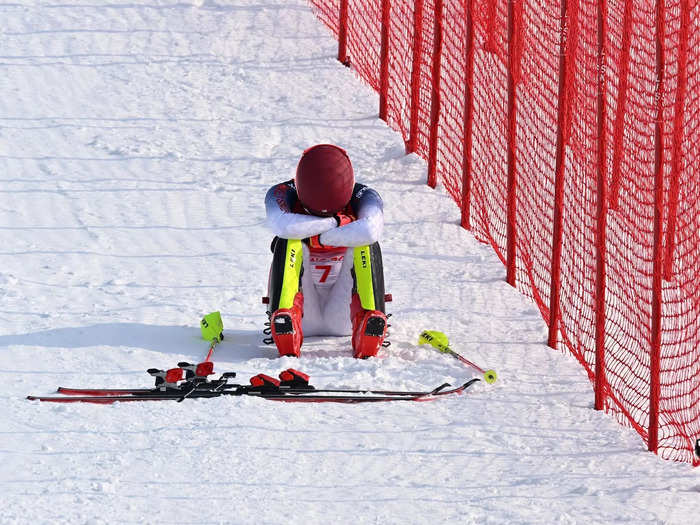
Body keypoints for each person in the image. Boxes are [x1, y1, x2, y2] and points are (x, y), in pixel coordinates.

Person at [263, 144, 389, 358]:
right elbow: (285, 226)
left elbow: (370, 230)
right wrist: (339, 223)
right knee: (289, 241)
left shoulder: (365, 195)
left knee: (366, 244)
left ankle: (368, 321)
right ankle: (285, 321)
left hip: (343, 311)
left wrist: (314, 232)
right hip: (303, 310)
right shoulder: (281, 193)